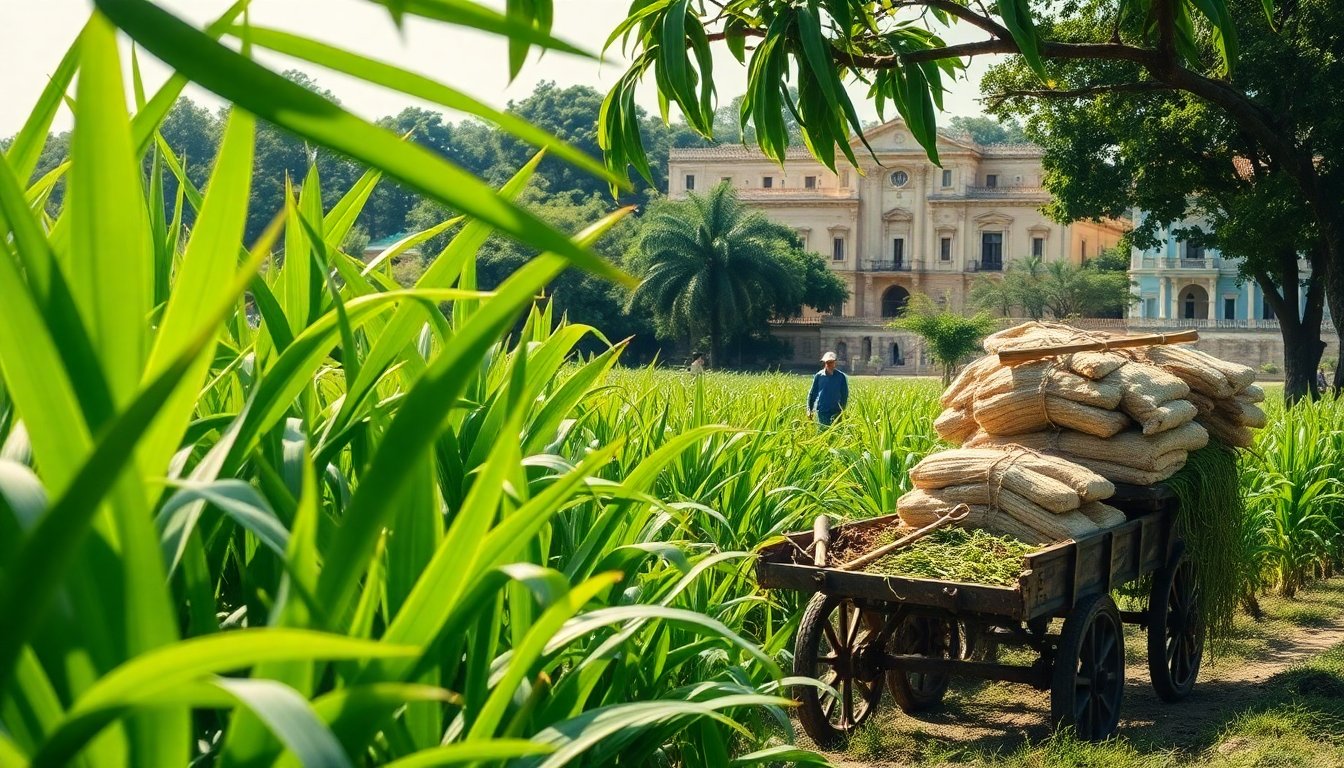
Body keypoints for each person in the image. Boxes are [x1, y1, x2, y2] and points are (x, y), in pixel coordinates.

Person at [807, 351, 849, 427]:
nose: (829, 365)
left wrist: (842, 409)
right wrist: (809, 409)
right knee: (823, 432)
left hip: (836, 411)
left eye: (831, 362)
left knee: (836, 434)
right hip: (822, 410)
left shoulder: (841, 376)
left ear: (835, 363)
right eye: (827, 363)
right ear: (825, 363)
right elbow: (812, 393)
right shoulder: (819, 376)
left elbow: (844, 394)